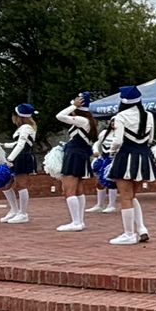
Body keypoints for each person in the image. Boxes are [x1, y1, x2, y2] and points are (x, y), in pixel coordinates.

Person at [105, 85, 156, 245]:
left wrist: (110, 151)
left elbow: (118, 141)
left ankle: (129, 234)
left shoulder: (120, 116)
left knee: (125, 197)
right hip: (144, 156)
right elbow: (150, 139)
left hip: (126, 156)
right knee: (132, 196)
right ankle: (141, 228)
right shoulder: (149, 115)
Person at [53, 93, 96, 231]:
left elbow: (59, 116)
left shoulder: (81, 120)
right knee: (78, 189)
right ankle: (79, 221)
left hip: (75, 155)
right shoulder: (85, 120)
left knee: (69, 189)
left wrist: (73, 106)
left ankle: (76, 222)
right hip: (79, 155)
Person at [0, 104, 39, 224]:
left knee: (21, 185)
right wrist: (3, 145)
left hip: (23, 157)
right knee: (5, 184)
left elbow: (21, 145)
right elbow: (17, 143)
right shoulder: (22, 128)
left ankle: (23, 213)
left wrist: (10, 159)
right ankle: (14, 210)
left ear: (19, 116)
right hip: (18, 156)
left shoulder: (27, 127)